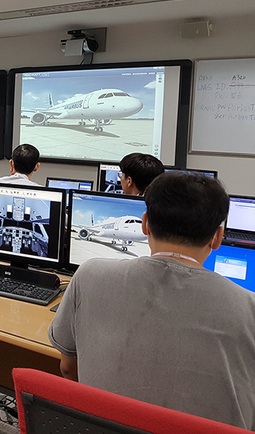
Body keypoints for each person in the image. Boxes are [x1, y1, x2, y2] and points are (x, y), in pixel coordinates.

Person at [48, 172, 255, 430]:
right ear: (218, 237)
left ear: (145, 224)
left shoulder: (88, 274)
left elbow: (68, 368)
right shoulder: (249, 306)